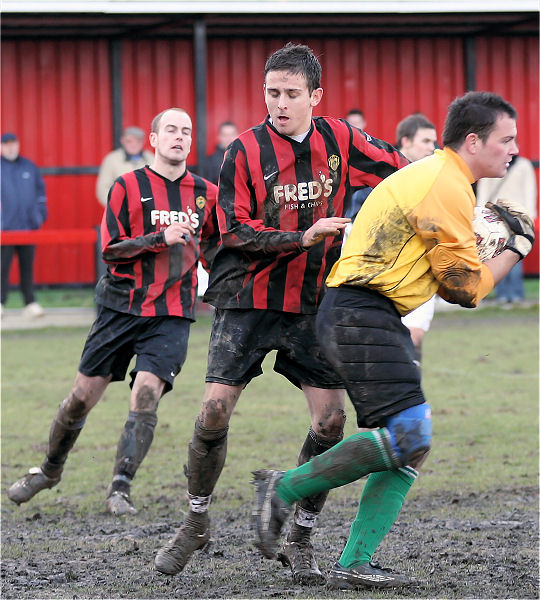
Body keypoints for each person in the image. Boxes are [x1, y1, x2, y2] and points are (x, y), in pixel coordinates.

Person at [251, 91, 534, 590]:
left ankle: (354, 560)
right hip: (361, 311)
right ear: (473, 141)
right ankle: (283, 488)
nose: (513, 149)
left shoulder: (445, 181)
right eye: (505, 139)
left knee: (412, 446)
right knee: (412, 434)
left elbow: (450, 278)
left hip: (367, 311)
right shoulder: (445, 185)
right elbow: (464, 289)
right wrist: (515, 249)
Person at [154, 42, 408, 583]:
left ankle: (302, 535)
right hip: (248, 298)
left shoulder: (339, 138)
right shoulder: (242, 152)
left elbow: (401, 171)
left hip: (314, 301)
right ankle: (196, 522)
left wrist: (453, 183)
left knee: (332, 422)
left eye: (292, 94)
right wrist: (303, 235)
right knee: (214, 411)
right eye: (272, 93)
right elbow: (235, 230)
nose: (280, 104)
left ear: (315, 96)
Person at [7, 108, 219, 517]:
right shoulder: (127, 186)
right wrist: (161, 237)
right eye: (171, 130)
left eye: (186, 131)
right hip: (120, 308)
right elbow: (110, 249)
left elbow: (216, 249)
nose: (180, 137)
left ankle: (120, 487)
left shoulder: (205, 194)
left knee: (146, 395)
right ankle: (50, 469)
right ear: (153, 140)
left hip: (172, 312)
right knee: (79, 400)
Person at [396, 113, 439, 365]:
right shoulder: (382, 176)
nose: (432, 148)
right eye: (425, 141)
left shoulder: (434, 178)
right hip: (385, 277)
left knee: (415, 336)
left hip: (422, 270)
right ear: (406, 141)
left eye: (434, 142)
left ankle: (411, 399)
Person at [476, 155, 537, 306]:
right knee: (501, 254)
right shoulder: (493, 163)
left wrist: (529, 214)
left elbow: (530, 189)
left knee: (513, 253)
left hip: (514, 215)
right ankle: (505, 294)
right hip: (497, 214)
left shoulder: (522, 165)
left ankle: (514, 293)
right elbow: (485, 188)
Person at [1, 132, 47, 318]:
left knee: (27, 267)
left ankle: (30, 303)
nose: (11, 147)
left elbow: (40, 194)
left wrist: (38, 217)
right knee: (2, 267)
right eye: (7, 144)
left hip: (28, 228)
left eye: (14, 143)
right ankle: (1, 303)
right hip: (4, 230)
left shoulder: (29, 166)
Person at [95, 126, 154, 207]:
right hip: (120, 211)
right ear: (122, 141)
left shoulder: (152, 159)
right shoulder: (112, 159)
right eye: (129, 141)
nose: (134, 145)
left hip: (148, 212)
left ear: (143, 142)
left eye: (138, 141)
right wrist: (117, 207)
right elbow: (103, 189)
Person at [343, 109, 372, 222]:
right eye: (351, 124)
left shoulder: (371, 147)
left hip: (365, 192)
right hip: (346, 194)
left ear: (364, 124)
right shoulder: (339, 147)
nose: (354, 127)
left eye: (357, 123)